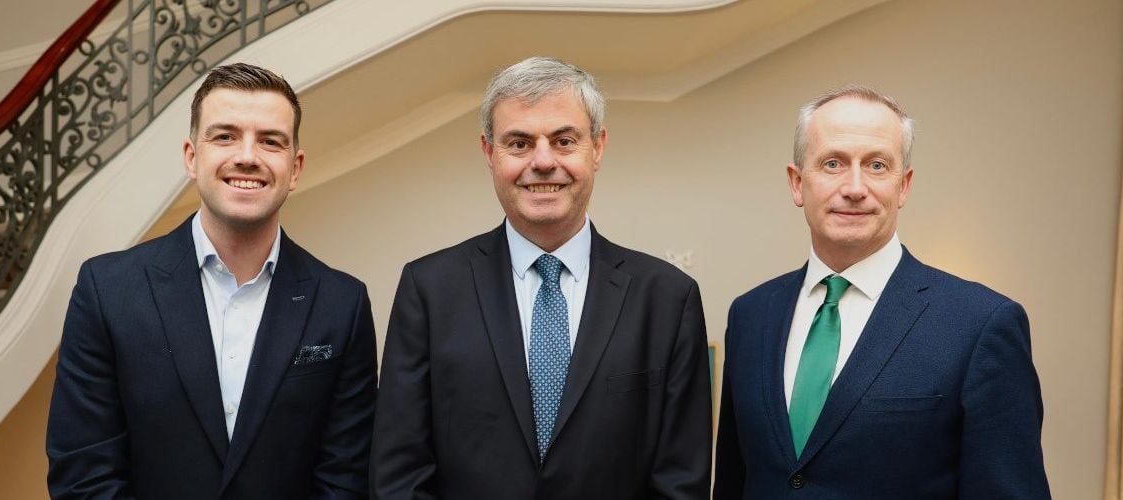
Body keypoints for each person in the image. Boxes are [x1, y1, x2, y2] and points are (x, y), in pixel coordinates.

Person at [370, 56, 712, 499]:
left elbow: (681, 481)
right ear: (488, 153)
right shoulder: (429, 290)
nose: (544, 162)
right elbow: (399, 474)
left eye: (564, 140)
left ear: (598, 147)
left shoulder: (667, 298)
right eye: (519, 143)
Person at [47, 62, 376, 499]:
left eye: (270, 141)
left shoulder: (343, 304)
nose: (247, 156)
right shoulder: (107, 291)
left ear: (295, 168)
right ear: (191, 157)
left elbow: (345, 479)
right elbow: (82, 477)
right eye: (225, 136)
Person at [713, 85, 1050, 498]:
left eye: (876, 165)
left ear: (903, 186)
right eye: (833, 163)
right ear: (797, 183)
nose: (855, 187)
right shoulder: (750, 315)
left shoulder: (980, 324)